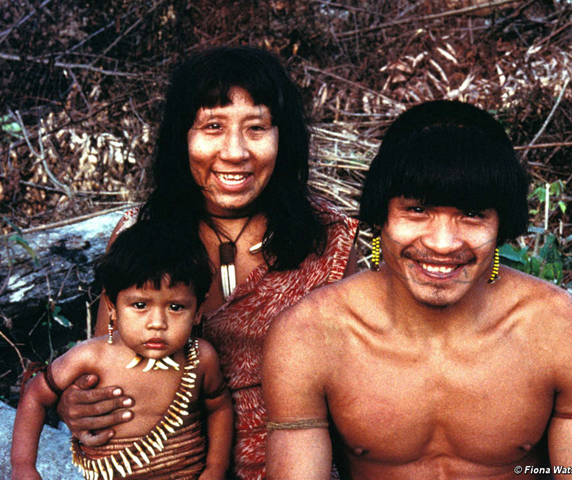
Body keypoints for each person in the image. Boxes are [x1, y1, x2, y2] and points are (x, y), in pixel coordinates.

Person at [263, 100, 572, 479]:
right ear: (380, 215)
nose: (444, 243)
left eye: (472, 214)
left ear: (502, 226)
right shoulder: (308, 336)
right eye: (417, 210)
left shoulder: (563, 329)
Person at [55, 46, 358, 480]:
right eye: (212, 127)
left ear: (283, 137)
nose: (235, 152)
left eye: (256, 128)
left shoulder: (330, 238)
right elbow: (107, 356)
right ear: (182, 137)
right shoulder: (141, 233)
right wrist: (78, 405)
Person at [11, 220, 233, 480]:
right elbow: (36, 395)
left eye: (176, 307)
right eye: (140, 305)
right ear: (112, 306)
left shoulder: (200, 358)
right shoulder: (91, 357)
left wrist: (215, 469)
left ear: (198, 311)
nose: (157, 323)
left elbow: (219, 408)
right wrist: (23, 466)